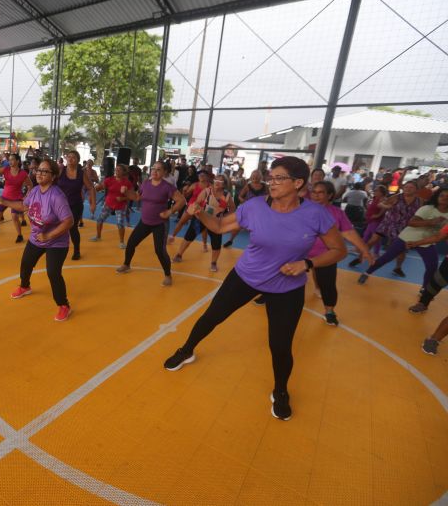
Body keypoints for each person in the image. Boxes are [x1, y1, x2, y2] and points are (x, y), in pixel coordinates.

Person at [163, 157, 346, 421]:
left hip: (287, 288)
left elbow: (338, 250)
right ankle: (187, 349)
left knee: (280, 345)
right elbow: (220, 226)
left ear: (297, 183)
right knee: (211, 317)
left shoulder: (316, 215)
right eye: (271, 177)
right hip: (246, 277)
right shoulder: (255, 207)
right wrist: (198, 212)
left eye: (279, 178)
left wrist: (307, 263)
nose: (272, 182)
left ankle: (281, 390)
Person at [0, 159, 74, 321]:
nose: (39, 173)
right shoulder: (34, 191)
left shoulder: (56, 196)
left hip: (56, 242)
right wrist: (4, 201)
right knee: (26, 264)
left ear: (53, 176)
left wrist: (48, 235)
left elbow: (69, 221)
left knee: (53, 272)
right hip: (36, 238)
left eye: (44, 171)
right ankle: (25, 286)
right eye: (38, 170)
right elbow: (23, 207)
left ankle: (63, 305)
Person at [308, 181, 375, 326]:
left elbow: (349, 232)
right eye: (314, 192)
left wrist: (365, 250)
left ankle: (329, 312)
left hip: (326, 255)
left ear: (330, 195)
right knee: (282, 274)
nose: (316, 195)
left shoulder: (337, 213)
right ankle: (267, 295)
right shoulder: (301, 209)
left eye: (321, 192)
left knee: (328, 284)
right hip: (300, 252)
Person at [358, 187, 448, 288]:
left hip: (426, 242)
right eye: (442, 195)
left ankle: (424, 289)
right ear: (437, 197)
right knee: (387, 257)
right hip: (407, 237)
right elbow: (411, 222)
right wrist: (430, 222)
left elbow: (443, 234)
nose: (444, 198)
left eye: (447, 197)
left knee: (432, 266)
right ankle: (367, 273)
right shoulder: (427, 209)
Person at [116, 161, 185, 286]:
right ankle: (126, 264)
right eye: (153, 168)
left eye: (158, 169)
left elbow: (181, 200)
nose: (155, 171)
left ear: (164, 172)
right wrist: (126, 192)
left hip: (160, 223)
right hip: (145, 222)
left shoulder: (167, 187)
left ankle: (168, 275)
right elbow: (137, 197)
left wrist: (170, 212)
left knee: (159, 250)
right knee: (131, 243)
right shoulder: (146, 184)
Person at [172, 173, 235, 272]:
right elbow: (197, 202)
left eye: (220, 181)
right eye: (216, 181)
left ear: (224, 184)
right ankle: (179, 254)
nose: (217, 183)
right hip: (201, 218)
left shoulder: (227, 196)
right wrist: (196, 209)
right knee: (189, 236)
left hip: (216, 222)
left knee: (216, 243)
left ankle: (213, 263)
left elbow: (232, 209)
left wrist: (225, 220)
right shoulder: (207, 191)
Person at [56, 150, 96, 260]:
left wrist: (93, 203)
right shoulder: (60, 170)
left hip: (75, 205)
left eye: (73, 157)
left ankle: (76, 250)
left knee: (72, 228)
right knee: (57, 227)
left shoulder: (81, 174)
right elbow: (51, 182)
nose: (70, 159)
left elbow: (91, 188)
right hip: (60, 205)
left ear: (77, 160)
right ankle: (56, 249)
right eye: (68, 156)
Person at [0, 153, 31, 242]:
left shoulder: (23, 173)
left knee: (15, 216)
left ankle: (20, 235)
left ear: (17, 161)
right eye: (9, 159)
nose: (10, 161)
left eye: (12, 159)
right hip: (5, 197)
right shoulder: (6, 169)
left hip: (16, 198)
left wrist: (26, 196)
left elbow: (30, 185)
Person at [90, 164, 132, 248]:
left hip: (120, 205)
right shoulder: (109, 180)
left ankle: (121, 242)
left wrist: (123, 198)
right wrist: (96, 188)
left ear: (123, 172)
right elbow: (101, 187)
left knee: (120, 223)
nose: (117, 171)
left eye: (119, 170)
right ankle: (98, 236)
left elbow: (131, 196)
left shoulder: (127, 183)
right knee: (99, 220)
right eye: (116, 169)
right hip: (108, 204)